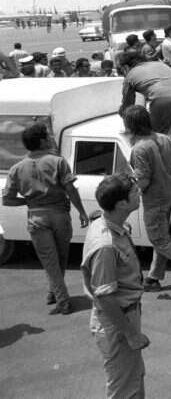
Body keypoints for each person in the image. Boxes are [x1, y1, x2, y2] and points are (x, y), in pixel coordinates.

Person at [2, 122, 90, 314]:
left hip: (36, 217)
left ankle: (54, 292)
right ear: (42, 141)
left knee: (50, 261)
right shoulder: (57, 161)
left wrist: (28, 203)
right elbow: (70, 189)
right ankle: (63, 301)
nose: (50, 139)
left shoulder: (16, 168)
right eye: (47, 136)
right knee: (61, 258)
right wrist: (82, 212)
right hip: (60, 214)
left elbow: (7, 200)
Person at [81, 175, 148, 398]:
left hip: (124, 314)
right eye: (134, 192)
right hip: (117, 322)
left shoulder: (106, 221)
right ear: (121, 204)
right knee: (124, 389)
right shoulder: (106, 246)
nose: (139, 193)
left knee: (133, 378)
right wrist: (130, 333)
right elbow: (105, 298)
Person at [123, 106, 171, 292]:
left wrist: (129, 184)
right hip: (169, 196)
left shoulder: (139, 149)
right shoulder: (164, 139)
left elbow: (144, 180)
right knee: (163, 238)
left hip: (154, 201)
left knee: (160, 241)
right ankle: (153, 277)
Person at [120, 49, 171, 134]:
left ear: (125, 67)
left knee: (158, 135)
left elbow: (128, 106)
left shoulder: (130, 75)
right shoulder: (159, 64)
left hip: (163, 97)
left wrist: (125, 121)